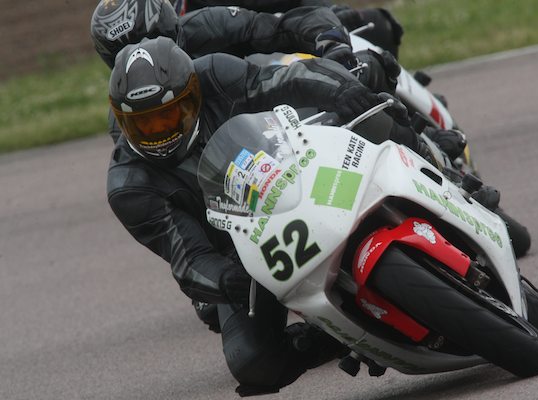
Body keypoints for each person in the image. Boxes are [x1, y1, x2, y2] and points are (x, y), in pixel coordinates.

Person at [107, 36, 424, 396]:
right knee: (253, 361)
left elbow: (287, 79)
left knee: (366, 97)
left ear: (191, 94)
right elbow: (187, 258)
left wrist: (342, 91)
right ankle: (336, 337)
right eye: (145, 125)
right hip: (241, 248)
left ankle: (442, 171)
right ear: (123, 122)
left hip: (295, 169)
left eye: (167, 115)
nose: (159, 131)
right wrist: (225, 279)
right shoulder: (129, 187)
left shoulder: (215, 75)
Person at [91, 0, 359, 143]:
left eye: (151, 42)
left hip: (274, 91)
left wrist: (332, 43)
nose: (145, 58)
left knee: (365, 68)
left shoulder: (208, 24)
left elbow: (282, 27)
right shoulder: (125, 122)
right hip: (236, 160)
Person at [174, 0, 404, 57]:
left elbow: (263, 26)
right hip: (228, 103)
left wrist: (329, 15)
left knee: (375, 24)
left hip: (268, 62)